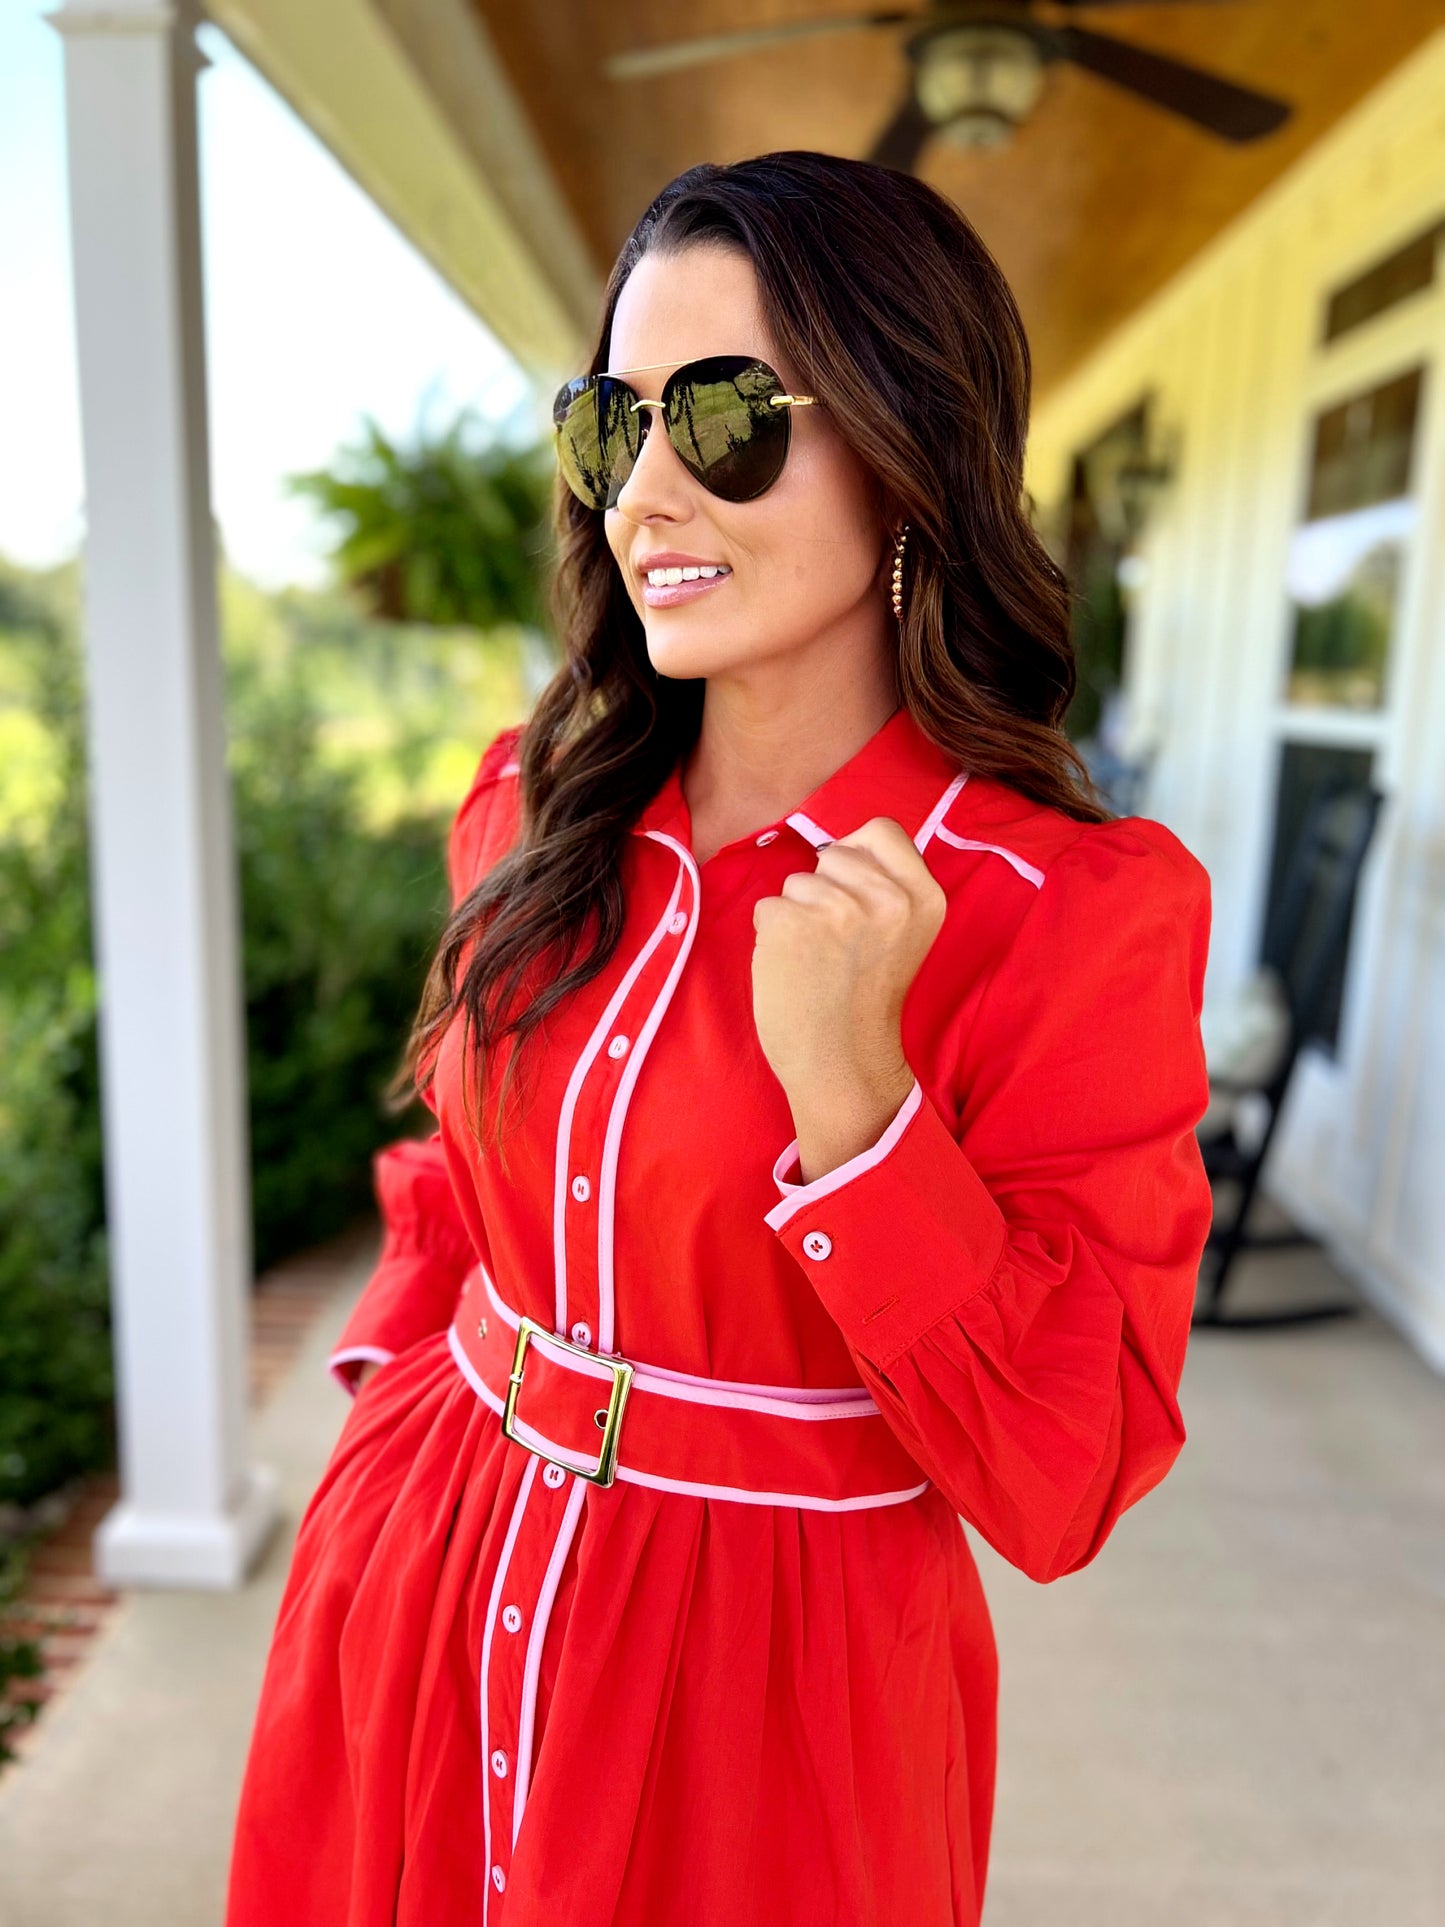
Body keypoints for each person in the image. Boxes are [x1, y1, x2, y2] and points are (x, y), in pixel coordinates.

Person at [225, 149, 1214, 1927]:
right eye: (612, 427)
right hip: (421, 1591)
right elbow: (452, 1168)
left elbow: (1063, 1477)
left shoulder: (1061, 906)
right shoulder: (531, 808)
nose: (652, 488)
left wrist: (859, 1106)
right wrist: (389, 1407)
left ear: (909, 444)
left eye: (731, 417)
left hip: (776, 1711)